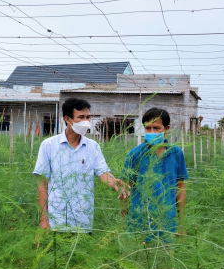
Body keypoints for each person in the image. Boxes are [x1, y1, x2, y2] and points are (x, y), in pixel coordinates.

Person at [34, 97, 128, 233]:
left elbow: (103, 173)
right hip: (57, 222)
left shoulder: (92, 147)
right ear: (68, 119)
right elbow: (42, 184)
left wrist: (115, 184)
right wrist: (43, 220)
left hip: (83, 222)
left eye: (88, 117)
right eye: (81, 117)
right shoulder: (49, 145)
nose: (86, 122)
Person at [122, 108, 188, 242]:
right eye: (148, 128)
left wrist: (182, 224)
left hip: (166, 223)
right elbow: (125, 190)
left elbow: (180, 189)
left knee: (165, 260)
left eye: (156, 128)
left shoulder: (176, 153)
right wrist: (124, 220)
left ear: (166, 128)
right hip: (138, 222)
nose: (152, 132)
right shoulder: (135, 154)